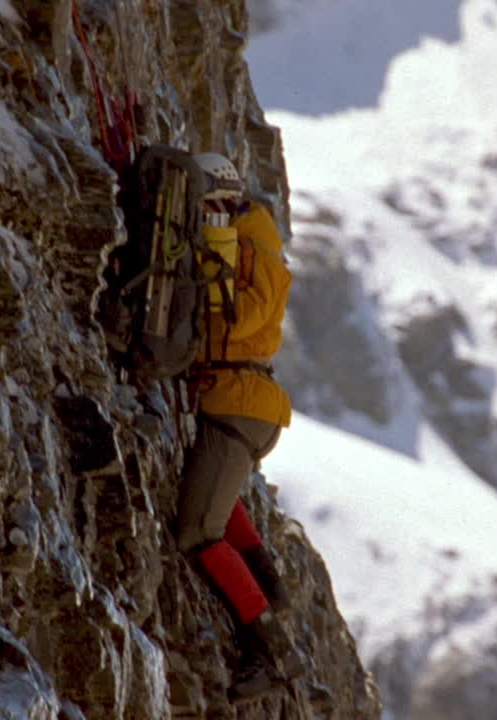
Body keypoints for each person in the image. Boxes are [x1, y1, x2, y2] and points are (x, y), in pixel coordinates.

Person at [174, 152, 303, 700]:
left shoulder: (256, 246)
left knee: (198, 532)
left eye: (212, 207)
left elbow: (241, 318)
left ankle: (272, 649)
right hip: (234, 399)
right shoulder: (244, 241)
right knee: (218, 503)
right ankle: (267, 583)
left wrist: (213, 269)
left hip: (239, 402)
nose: (207, 218)